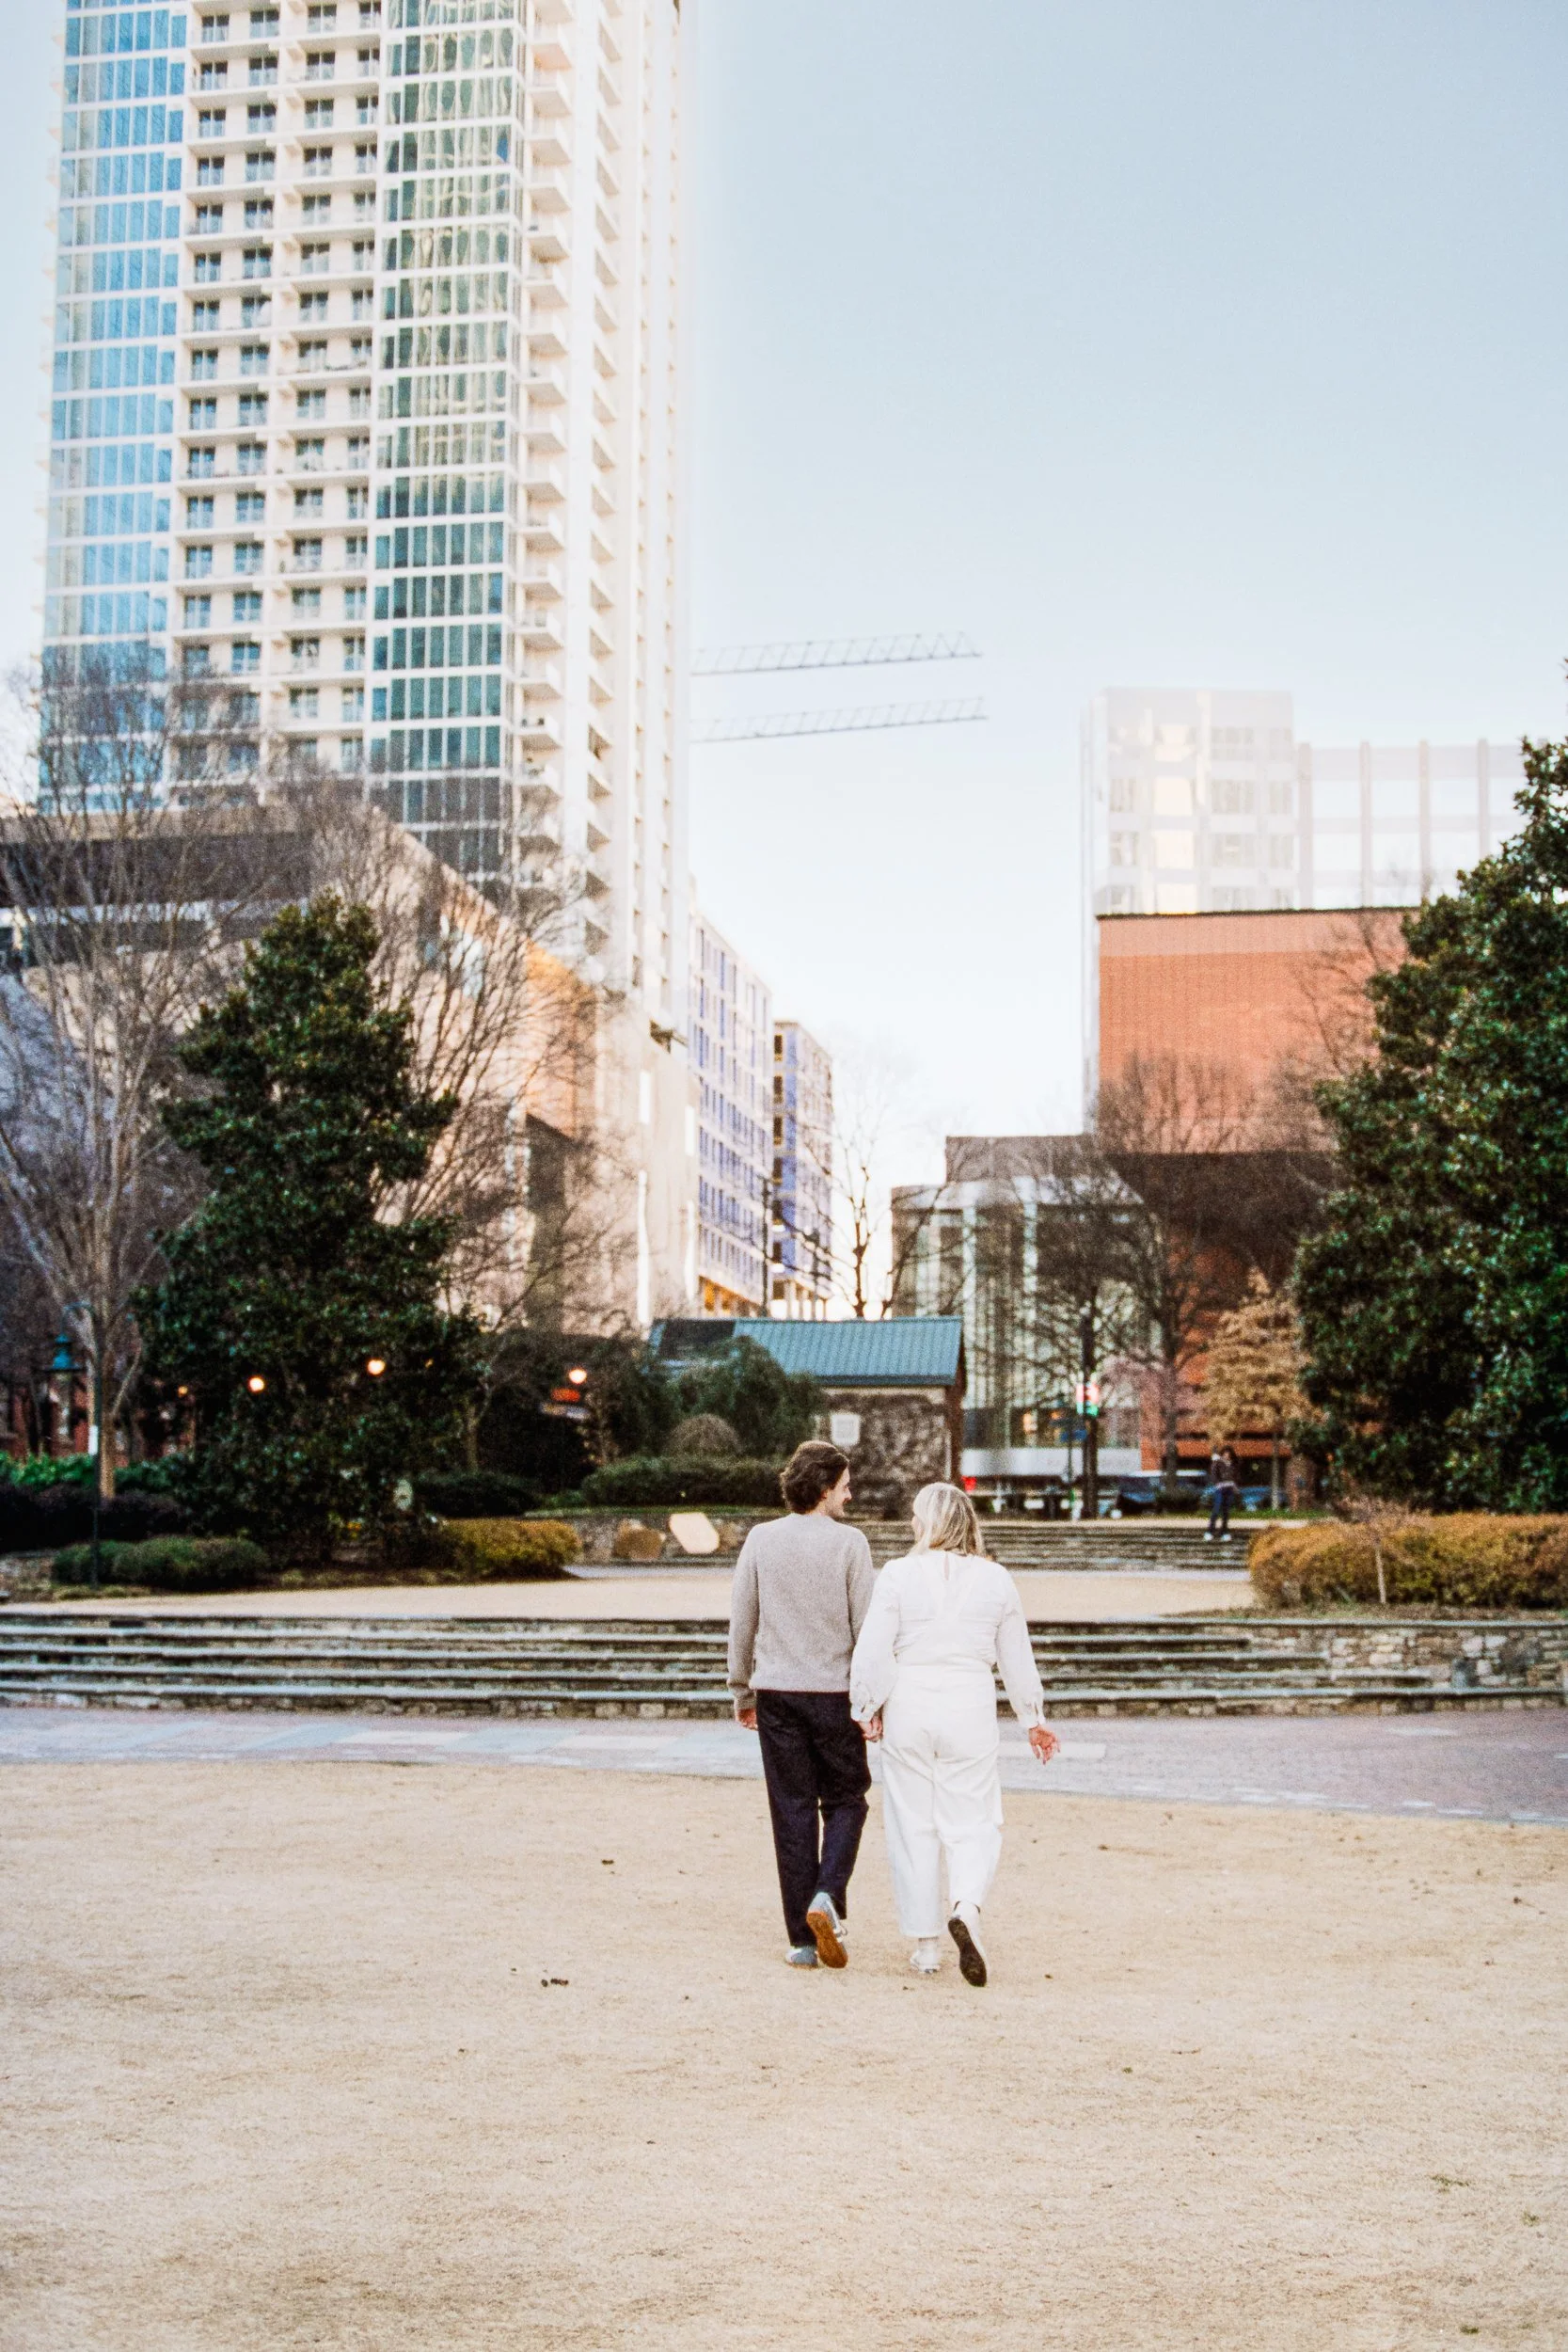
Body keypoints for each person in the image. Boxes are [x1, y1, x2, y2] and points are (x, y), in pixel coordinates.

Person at [849, 1482, 1058, 1987]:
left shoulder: (898, 1575)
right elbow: (1016, 1655)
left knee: (912, 1823)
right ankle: (966, 1904)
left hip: (910, 1702)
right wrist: (1033, 1718)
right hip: (970, 1704)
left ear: (929, 1523)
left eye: (917, 1517)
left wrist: (865, 1705)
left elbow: (874, 1645)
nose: (912, 1525)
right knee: (975, 1818)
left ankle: (925, 1946)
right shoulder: (996, 1579)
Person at [728, 1439, 876, 1970]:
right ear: (823, 1488)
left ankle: (801, 1939)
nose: (850, 1495)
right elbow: (868, 1630)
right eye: (844, 1486)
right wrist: (872, 1700)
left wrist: (741, 1688)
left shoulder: (761, 1540)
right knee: (846, 1801)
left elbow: (742, 1620)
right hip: (834, 1694)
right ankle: (827, 1896)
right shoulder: (850, 1545)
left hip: (778, 1693)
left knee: (790, 1811)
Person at [1206, 1446, 1238, 1541]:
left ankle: (1225, 1532)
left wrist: (1235, 1485)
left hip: (1230, 1488)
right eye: (1225, 1454)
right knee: (1216, 1509)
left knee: (1226, 1512)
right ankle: (1210, 1531)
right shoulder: (1218, 1463)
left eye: (1228, 1454)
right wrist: (1217, 1484)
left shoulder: (1233, 1464)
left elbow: (1236, 1476)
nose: (1226, 1456)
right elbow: (1213, 1474)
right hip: (1220, 1489)